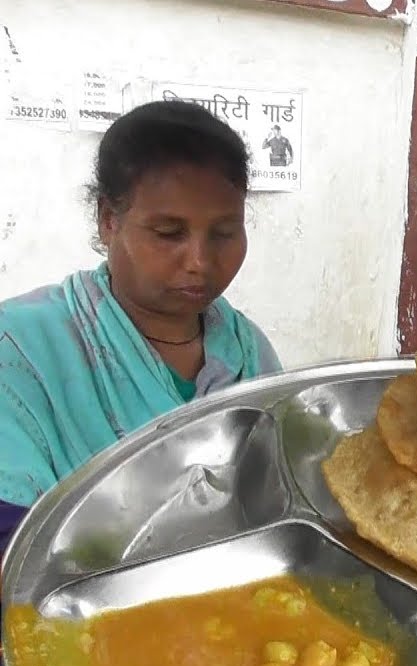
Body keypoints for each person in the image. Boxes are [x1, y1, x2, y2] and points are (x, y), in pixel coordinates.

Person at [0, 101, 281, 549]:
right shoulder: (21, 350)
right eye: (169, 233)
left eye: (224, 233)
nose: (200, 262)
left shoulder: (247, 352)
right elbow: (15, 548)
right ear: (109, 219)